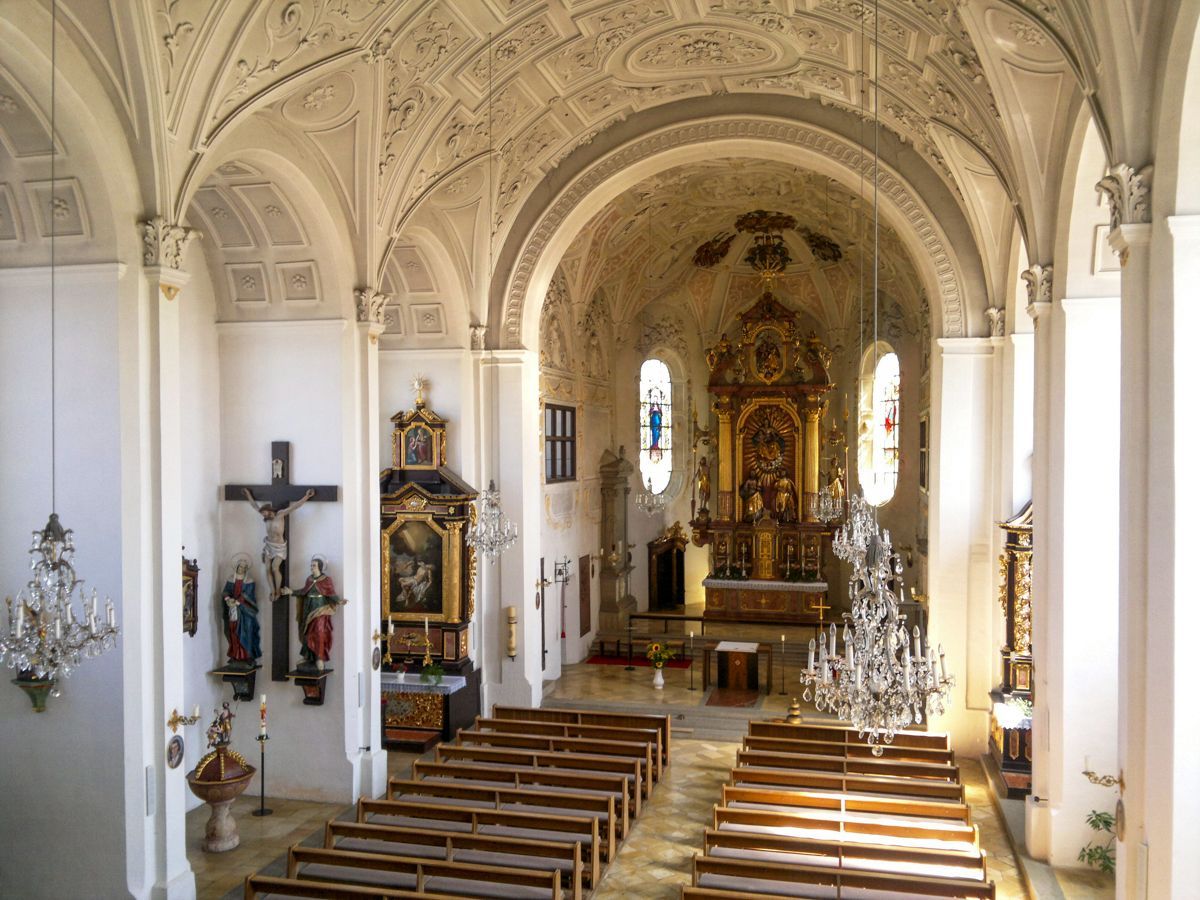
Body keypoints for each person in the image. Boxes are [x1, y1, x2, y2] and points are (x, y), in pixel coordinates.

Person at [242, 487, 315, 600]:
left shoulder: (280, 514)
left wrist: (306, 496)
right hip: (268, 545)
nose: (265, 517)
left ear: (270, 510)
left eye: (266, 514)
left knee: (275, 568)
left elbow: (295, 507)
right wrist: (248, 495)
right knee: (267, 569)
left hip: (279, 547)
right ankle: (272, 591)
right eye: (264, 515)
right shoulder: (265, 516)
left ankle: (278, 590)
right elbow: (254, 506)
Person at [283, 556, 345, 672]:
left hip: (320, 610)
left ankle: (319, 658)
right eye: (311, 565)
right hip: (308, 609)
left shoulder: (326, 580)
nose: (311, 567)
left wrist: (338, 601)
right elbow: (303, 591)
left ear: (320, 567)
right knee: (308, 633)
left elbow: (331, 594)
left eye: (314, 565)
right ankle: (308, 657)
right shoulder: (309, 579)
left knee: (319, 633)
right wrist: (291, 592)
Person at [221, 556, 259, 669]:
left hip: (245, 612)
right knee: (233, 630)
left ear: (246, 569)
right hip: (232, 609)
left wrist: (238, 602)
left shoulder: (249, 580)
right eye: (240, 566)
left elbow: (249, 595)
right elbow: (225, 591)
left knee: (245, 632)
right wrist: (228, 599)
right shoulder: (230, 578)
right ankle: (235, 655)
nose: (241, 569)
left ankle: (247, 656)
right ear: (236, 566)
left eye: (243, 567)